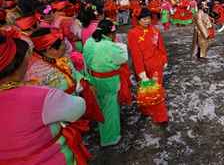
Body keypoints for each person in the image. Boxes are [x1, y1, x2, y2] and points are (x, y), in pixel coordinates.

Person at [0, 35, 90, 164]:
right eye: (28, 56)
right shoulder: (37, 96)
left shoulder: (59, 61)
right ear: (16, 64)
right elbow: (79, 107)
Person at [83, 19, 129, 147]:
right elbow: (122, 58)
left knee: (102, 107)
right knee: (110, 110)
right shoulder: (108, 46)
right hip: (108, 82)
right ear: (110, 33)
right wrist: (122, 47)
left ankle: (105, 133)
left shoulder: (90, 41)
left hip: (93, 79)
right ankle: (110, 138)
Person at [128, 9, 169, 125]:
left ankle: (160, 117)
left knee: (156, 90)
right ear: (138, 20)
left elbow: (161, 46)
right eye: (144, 19)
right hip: (143, 67)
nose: (147, 21)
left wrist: (164, 59)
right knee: (144, 90)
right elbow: (136, 54)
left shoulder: (155, 30)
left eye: (148, 18)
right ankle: (145, 110)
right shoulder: (133, 33)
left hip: (156, 66)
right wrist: (141, 72)